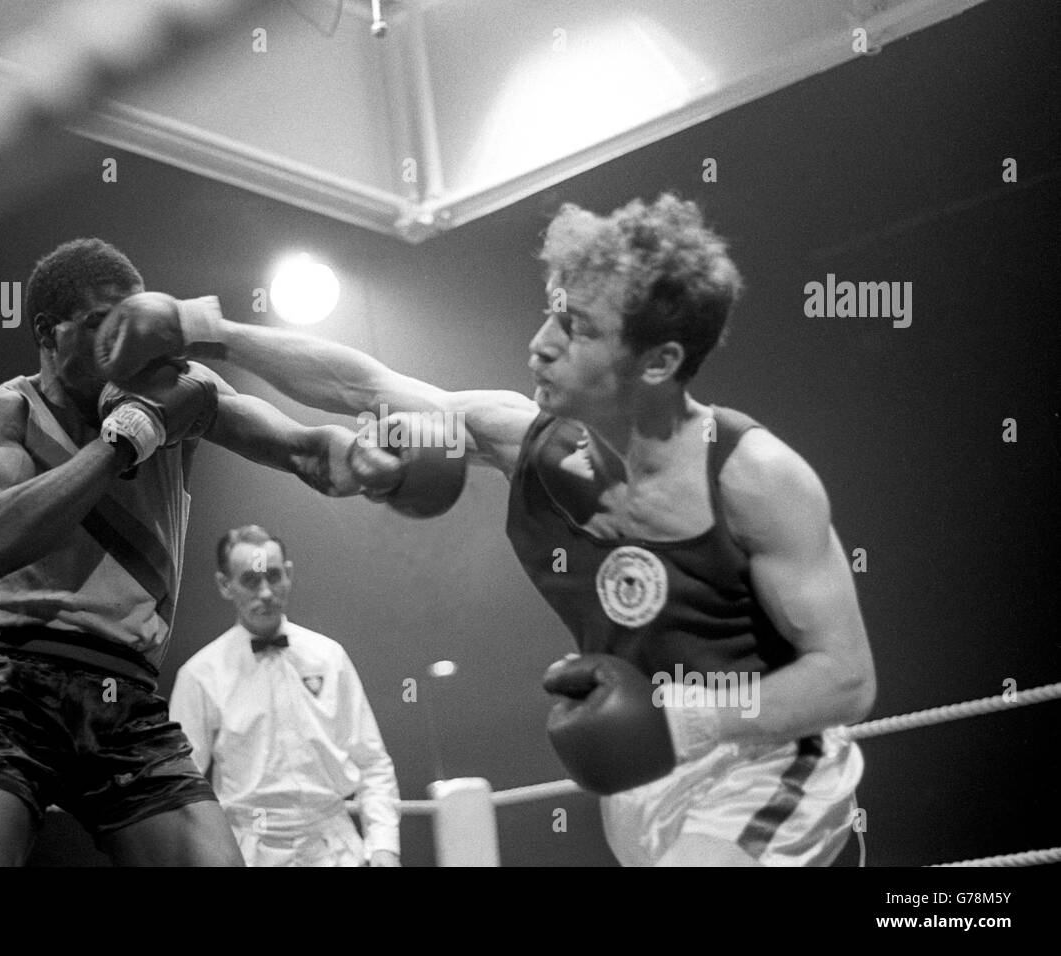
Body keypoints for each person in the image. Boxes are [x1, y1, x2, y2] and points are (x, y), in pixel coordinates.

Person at [165, 194, 878, 866]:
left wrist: (684, 719)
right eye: (552, 313)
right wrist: (209, 332)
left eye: (578, 329)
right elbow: (363, 387)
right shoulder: (524, 441)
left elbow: (846, 680)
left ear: (659, 361)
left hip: (769, 761)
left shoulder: (754, 478)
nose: (540, 344)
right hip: (640, 779)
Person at [0, 237, 393, 866]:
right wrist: (124, 442)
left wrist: (364, 458)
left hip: (128, 701)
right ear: (48, 329)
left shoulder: (182, 393)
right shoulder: (1, 409)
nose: (120, 348)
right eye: (100, 327)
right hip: (12, 685)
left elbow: (302, 448)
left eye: (131, 326)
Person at [169, 526, 401, 867]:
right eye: (250, 580)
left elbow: (372, 762)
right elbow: (182, 787)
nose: (265, 592)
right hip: (248, 850)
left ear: (288, 575)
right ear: (225, 585)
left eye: (273, 577)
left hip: (335, 847)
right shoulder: (200, 674)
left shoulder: (329, 656)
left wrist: (384, 847)